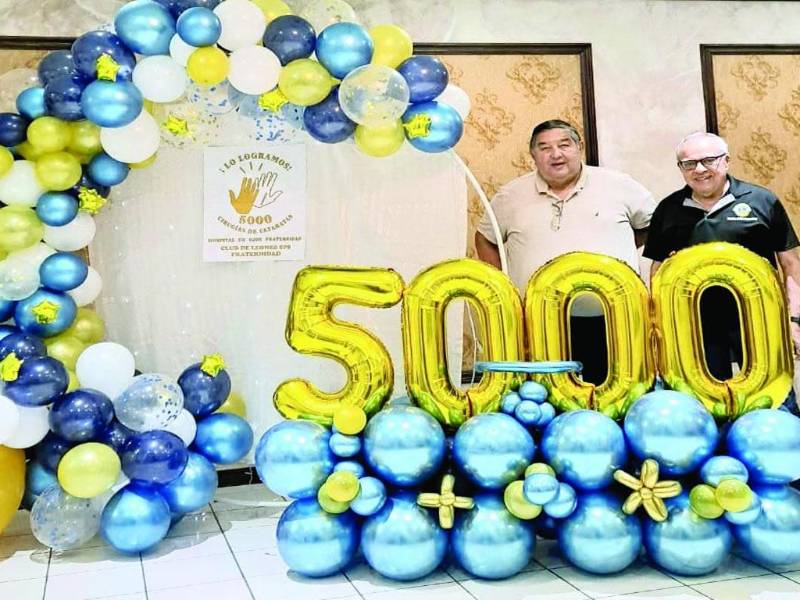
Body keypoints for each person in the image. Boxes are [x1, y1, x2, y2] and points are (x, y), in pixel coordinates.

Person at [475, 119, 656, 384]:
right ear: (533, 155)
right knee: (548, 397)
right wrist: (504, 284)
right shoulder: (510, 196)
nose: (556, 154)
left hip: (612, 315)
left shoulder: (619, 185)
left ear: (579, 147)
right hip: (539, 320)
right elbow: (485, 238)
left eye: (564, 145)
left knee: (615, 393)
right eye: (545, 148)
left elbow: (653, 226)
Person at [644, 131, 800, 380]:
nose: (699, 169)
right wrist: (659, 325)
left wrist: (794, 319)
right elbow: (658, 270)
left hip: (757, 318)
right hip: (695, 324)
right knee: (708, 403)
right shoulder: (668, 209)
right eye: (689, 164)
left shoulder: (762, 200)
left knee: (772, 397)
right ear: (681, 169)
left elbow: (791, 264)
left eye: (709, 160)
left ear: (726, 161)